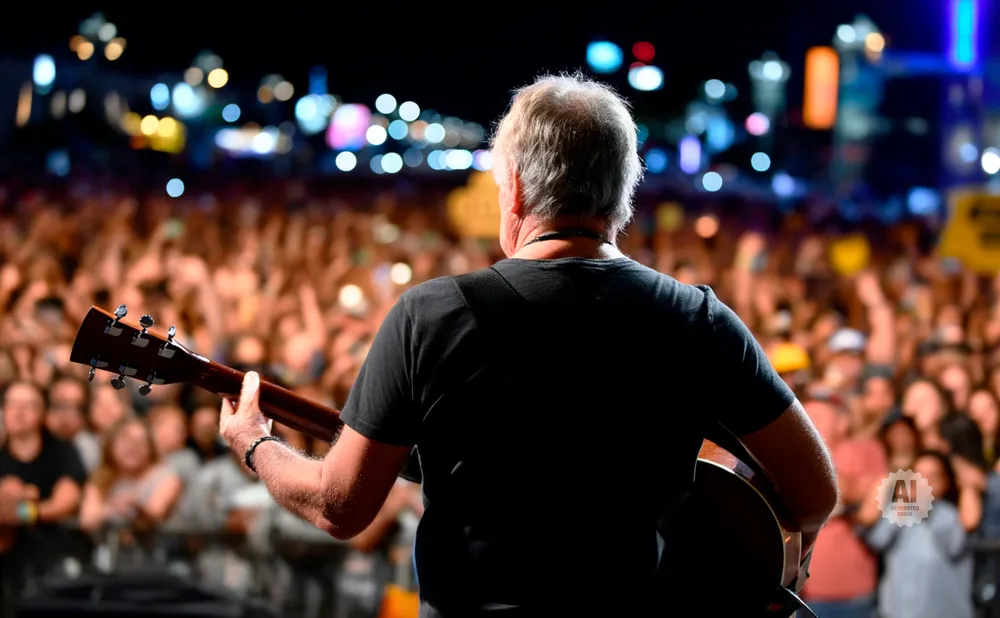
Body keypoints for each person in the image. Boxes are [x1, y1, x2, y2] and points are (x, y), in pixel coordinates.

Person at [219, 73, 838, 617]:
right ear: (623, 193)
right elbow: (815, 494)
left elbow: (340, 505)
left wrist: (255, 444)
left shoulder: (430, 316)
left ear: (514, 188)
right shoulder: (701, 321)